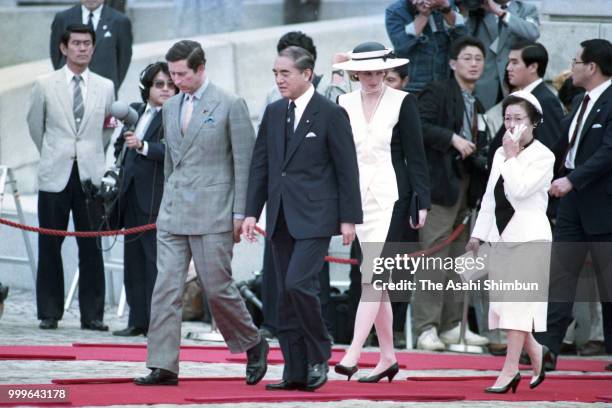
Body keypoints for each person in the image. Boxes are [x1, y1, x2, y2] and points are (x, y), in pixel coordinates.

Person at [134, 40, 268, 386]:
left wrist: (243, 213)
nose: (175, 81)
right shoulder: (171, 106)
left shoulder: (229, 104)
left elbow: (245, 164)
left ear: (201, 68)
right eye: (171, 74)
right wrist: (165, 205)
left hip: (215, 213)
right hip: (174, 212)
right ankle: (163, 364)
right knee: (164, 289)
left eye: (182, 74)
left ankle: (253, 342)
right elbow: (171, 165)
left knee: (217, 288)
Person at [242, 46, 362, 391]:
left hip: (316, 216)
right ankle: (294, 370)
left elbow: (346, 168)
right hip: (280, 217)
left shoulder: (330, 113)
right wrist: (252, 212)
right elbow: (260, 166)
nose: (279, 80)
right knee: (283, 293)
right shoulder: (274, 112)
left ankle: (319, 351)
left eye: (286, 73)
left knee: (298, 284)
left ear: (307, 74)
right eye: (276, 74)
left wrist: (348, 218)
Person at [332, 42, 430, 381]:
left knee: (372, 277)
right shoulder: (342, 102)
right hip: (358, 199)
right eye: (367, 72)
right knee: (379, 282)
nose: (374, 78)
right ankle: (388, 357)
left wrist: (422, 200)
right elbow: (339, 157)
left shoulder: (404, 101)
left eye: (379, 71)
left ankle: (354, 351)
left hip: (393, 197)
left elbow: (416, 155)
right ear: (355, 72)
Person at [27, 23, 114, 331]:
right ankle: (49, 312)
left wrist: (89, 155)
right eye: (76, 43)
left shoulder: (105, 86)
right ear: (64, 48)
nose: (82, 48)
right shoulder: (44, 83)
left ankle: (93, 315)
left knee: (91, 245)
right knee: (50, 243)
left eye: (87, 43)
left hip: (90, 173)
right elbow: (35, 125)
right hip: (55, 172)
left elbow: (105, 129)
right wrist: (54, 151)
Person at [467, 91, 554, 393]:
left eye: (519, 119)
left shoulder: (543, 155)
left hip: (530, 237)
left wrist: (513, 155)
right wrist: (478, 234)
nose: (512, 125)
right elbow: (492, 198)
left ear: (534, 123)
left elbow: (519, 191)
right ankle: (536, 350)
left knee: (517, 305)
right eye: (508, 119)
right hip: (500, 238)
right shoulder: (501, 152)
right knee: (505, 308)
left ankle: (510, 369)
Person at [535, 38, 612, 372]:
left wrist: (573, 179)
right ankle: (547, 346)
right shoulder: (580, 101)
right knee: (561, 274)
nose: (572, 66)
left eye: (577, 61)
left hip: (603, 204)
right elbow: (560, 148)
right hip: (571, 205)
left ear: (592, 67)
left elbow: (609, 152)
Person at [413, 36, 491, 351]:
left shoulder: (480, 101)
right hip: (439, 186)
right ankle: (426, 328)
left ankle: (452, 326)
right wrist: (452, 139)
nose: (474, 63)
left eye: (479, 59)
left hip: (466, 187)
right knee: (434, 256)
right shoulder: (438, 90)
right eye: (468, 58)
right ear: (452, 63)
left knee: (462, 259)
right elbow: (418, 124)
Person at [111, 62, 178, 337]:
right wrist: (126, 139)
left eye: (170, 85)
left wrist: (144, 146)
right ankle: (137, 320)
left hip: (156, 197)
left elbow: (174, 150)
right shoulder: (136, 112)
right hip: (130, 196)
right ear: (147, 88)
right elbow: (119, 147)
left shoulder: (175, 115)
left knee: (154, 263)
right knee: (133, 260)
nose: (165, 90)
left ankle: (156, 323)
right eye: (159, 84)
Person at [465, 0, 540, 110]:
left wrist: (500, 13)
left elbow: (533, 32)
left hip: (513, 83)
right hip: (483, 85)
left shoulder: (526, 9)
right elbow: (464, 39)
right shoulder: (478, 8)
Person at [50, 0, 133, 93]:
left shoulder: (120, 21)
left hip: (103, 90)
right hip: (68, 88)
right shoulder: (62, 18)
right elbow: (56, 54)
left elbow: (123, 59)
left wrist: (112, 85)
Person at [385, 0, 467, 94]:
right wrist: (423, 15)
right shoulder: (396, 11)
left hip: (446, 83)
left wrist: (446, 9)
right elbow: (402, 46)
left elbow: (463, 42)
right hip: (413, 87)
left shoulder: (445, 4)